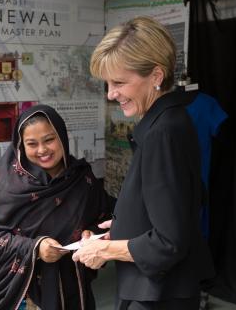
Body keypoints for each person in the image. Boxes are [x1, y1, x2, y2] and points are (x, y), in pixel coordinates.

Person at [72, 16, 215, 310]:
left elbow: (169, 242)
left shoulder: (162, 131)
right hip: (158, 288)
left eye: (119, 82)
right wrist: (128, 222)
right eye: (108, 84)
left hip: (158, 294)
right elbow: (190, 196)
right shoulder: (173, 119)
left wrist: (106, 249)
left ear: (156, 76)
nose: (111, 94)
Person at [0, 104, 115, 310]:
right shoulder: (4, 184)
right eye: (32, 143)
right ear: (21, 145)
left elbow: (103, 217)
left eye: (49, 139)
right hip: (19, 291)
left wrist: (89, 233)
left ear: (62, 137)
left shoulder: (81, 178)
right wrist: (35, 248)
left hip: (71, 288)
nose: (42, 150)